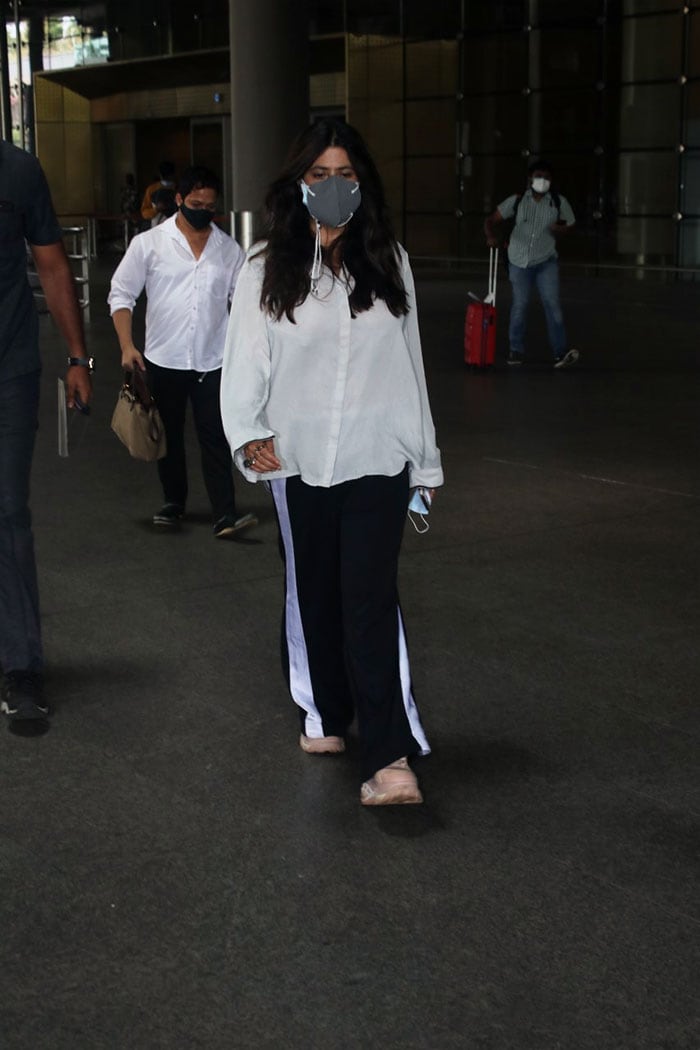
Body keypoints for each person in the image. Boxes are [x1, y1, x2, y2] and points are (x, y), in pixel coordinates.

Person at [220, 118, 443, 806]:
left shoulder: (389, 261)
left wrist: (425, 466)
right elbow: (243, 364)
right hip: (299, 459)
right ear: (298, 185)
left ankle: (389, 756)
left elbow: (411, 369)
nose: (334, 186)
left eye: (346, 174)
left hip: (380, 459)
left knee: (370, 601)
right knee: (314, 591)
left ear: (363, 184)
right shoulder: (265, 266)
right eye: (319, 175)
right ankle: (324, 709)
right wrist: (249, 435)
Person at [109, 165, 257, 538]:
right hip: (164, 358)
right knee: (169, 436)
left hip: (213, 360)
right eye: (195, 203)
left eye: (210, 206)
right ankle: (173, 502)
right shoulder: (149, 244)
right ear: (178, 200)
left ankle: (225, 514)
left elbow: (243, 307)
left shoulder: (228, 250)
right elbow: (121, 294)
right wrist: (127, 345)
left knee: (215, 438)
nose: (202, 210)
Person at [0, 139, 92, 728]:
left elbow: (52, 263)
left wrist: (79, 356)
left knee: (8, 513)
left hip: (10, 370)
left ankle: (22, 667)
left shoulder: (19, 170)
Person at [484, 159, 579, 369]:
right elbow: (491, 220)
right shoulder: (518, 201)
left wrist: (560, 230)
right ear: (530, 178)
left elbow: (571, 224)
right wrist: (491, 236)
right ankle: (515, 349)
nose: (542, 181)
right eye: (538, 176)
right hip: (519, 261)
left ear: (551, 181)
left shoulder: (557, 202)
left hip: (546, 261)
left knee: (552, 305)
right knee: (520, 304)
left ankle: (560, 352)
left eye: (546, 178)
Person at [140, 161, 176, 225]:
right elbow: (144, 213)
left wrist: (156, 209)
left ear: (159, 174)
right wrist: (156, 209)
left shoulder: (151, 189)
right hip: (161, 227)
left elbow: (144, 213)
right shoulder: (152, 190)